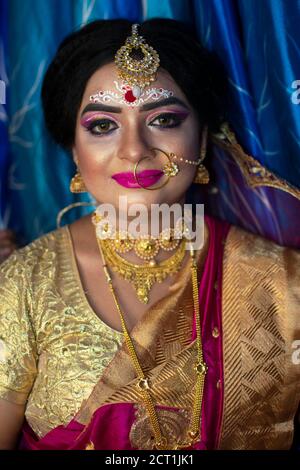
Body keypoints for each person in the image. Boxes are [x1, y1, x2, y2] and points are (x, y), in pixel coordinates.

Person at [0, 18, 299, 451]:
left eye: (163, 119)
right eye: (103, 126)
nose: (135, 150)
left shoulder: (280, 282)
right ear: (73, 149)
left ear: (199, 142)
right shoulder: (26, 283)